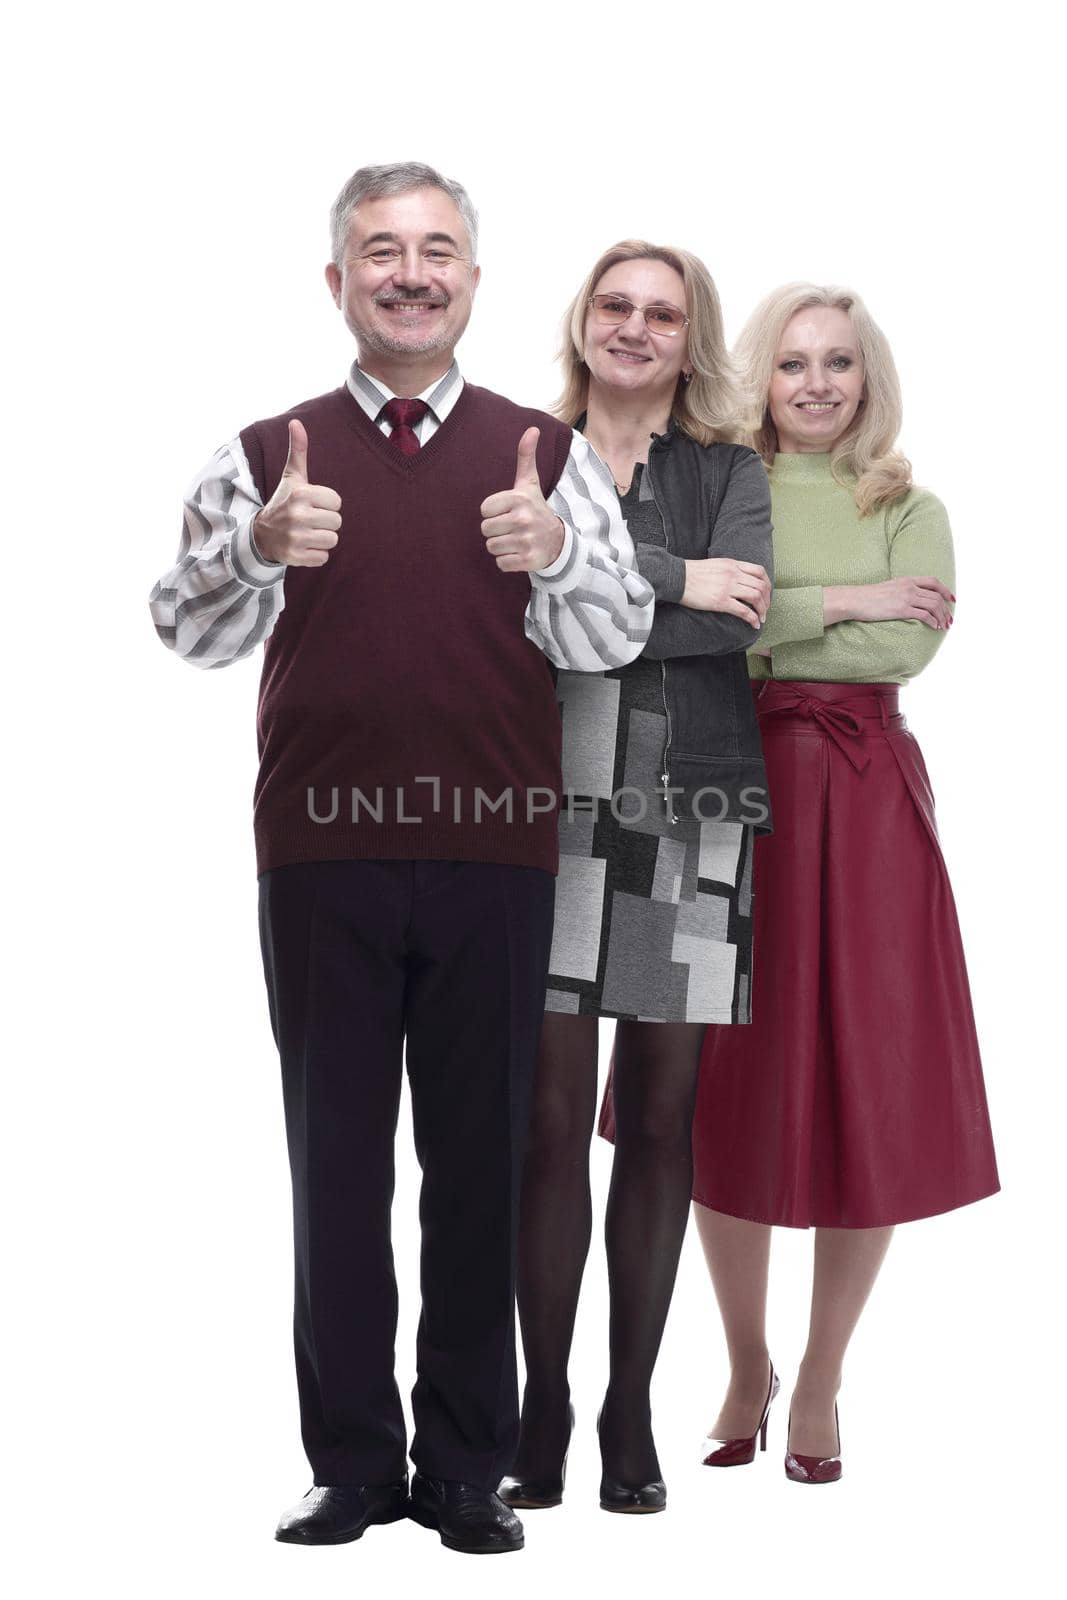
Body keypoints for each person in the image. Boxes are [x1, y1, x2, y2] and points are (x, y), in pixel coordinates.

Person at [149, 162, 655, 1556]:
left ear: (473, 282)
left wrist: (555, 551)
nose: (410, 272)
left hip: (496, 854)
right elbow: (183, 632)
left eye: (437, 250)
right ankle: (354, 1465)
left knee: (480, 1164)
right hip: (320, 858)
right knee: (334, 1167)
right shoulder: (265, 454)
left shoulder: (541, 459)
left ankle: (465, 1471)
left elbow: (609, 639)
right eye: (381, 250)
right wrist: (257, 546)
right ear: (338, 280)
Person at [677, 283, 1000, 1484]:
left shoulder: (910, 506)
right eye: (792, 363)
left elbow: (905, 645)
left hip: (863, 802)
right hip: (726, 788)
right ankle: (740, 1357)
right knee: (725, 1075)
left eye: (839, 365)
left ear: (868, 381)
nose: (814, 384)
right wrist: (846, 600)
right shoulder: (720, 490)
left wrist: (782, 618)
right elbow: (706, 634)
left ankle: (818, 1373)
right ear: (758, 377)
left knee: (870, 1075)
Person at [496, 242, 773, 1516]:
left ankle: (626, 1411)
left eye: (661, 313)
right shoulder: (523, 450)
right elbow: (511, 612)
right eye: (614, 304)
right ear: (581, 320)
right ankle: (540, 1403)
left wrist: (590, 575)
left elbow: (734, 621)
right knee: (547, 1126)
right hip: (542, 805)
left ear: (686, 337)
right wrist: (669, 574)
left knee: (657, 1124)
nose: (634, 326)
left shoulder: (728, 470)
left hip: (690, 806)